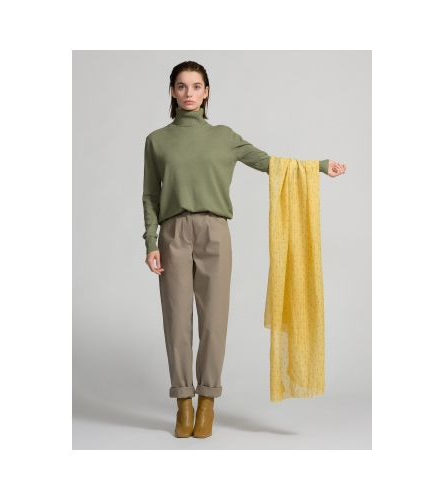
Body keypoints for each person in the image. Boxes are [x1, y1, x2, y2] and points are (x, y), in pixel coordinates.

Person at [142, 60, 346, 439]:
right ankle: (183, 403)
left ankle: (207, 402)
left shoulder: (224, 136)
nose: (189, 93)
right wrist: (151, 241)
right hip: (173, 234)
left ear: (206, 92)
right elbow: (151, 195)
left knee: (214, 322)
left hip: (215, 233)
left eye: (196, 86)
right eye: (182, 86)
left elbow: (269, 164)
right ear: (172, 91)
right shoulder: (157, 140)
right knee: (177, 322)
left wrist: (319, 166)